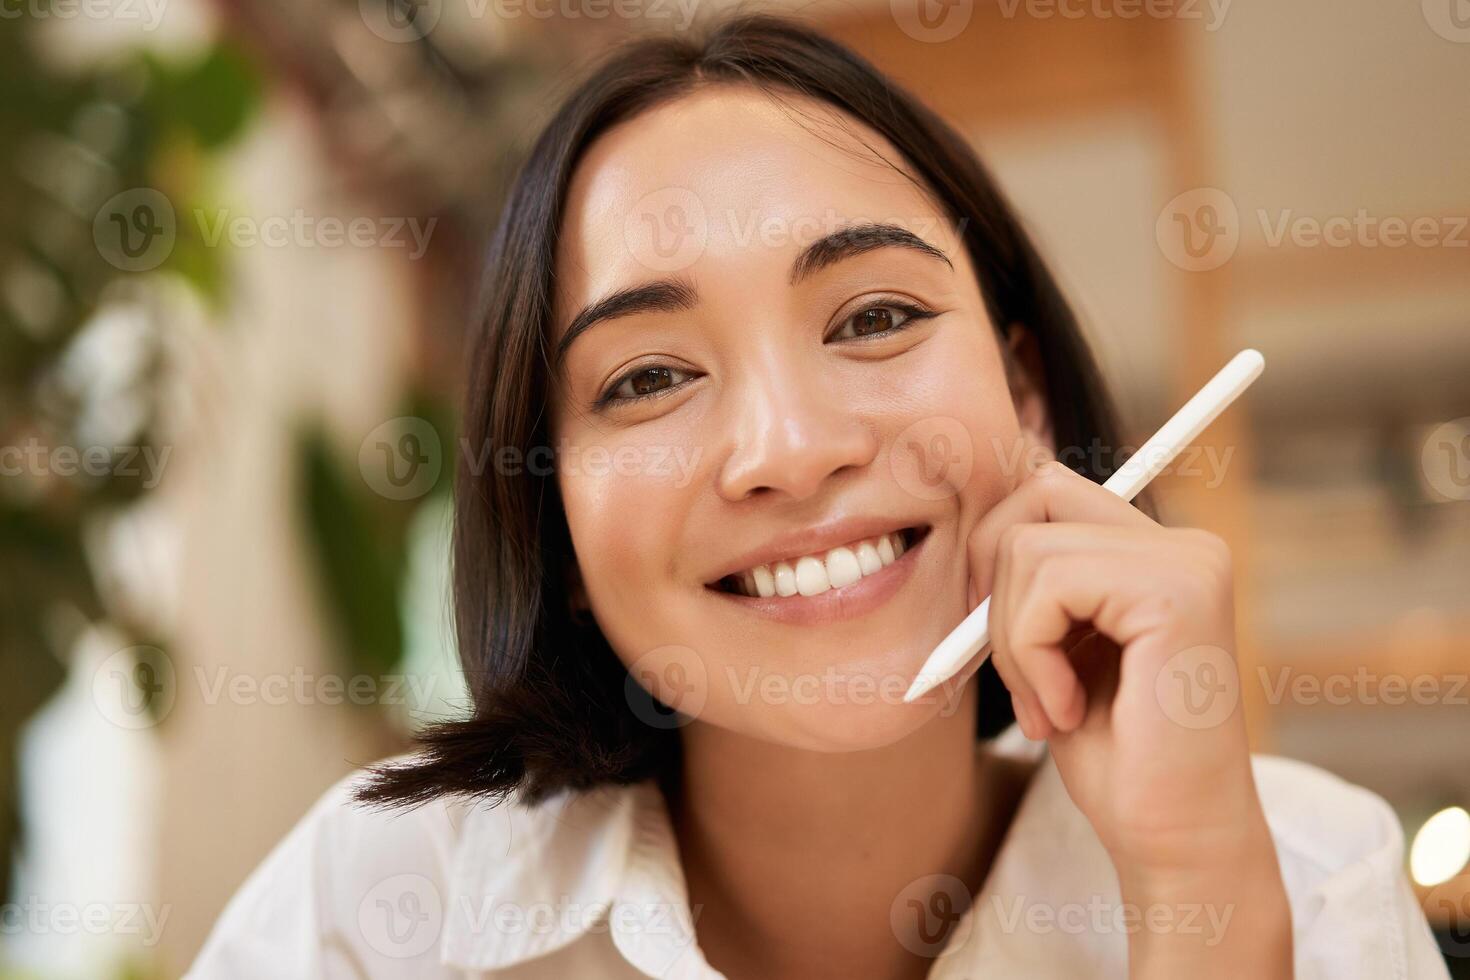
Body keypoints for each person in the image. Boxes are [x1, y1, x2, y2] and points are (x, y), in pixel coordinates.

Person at [187, 14, 1449, 979]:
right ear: (552, 512)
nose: (788, 447)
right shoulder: (382, 909)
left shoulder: (1308, 873)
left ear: (1026, 401)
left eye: (877, 316)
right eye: (648, 377)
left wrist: (1196, 891)